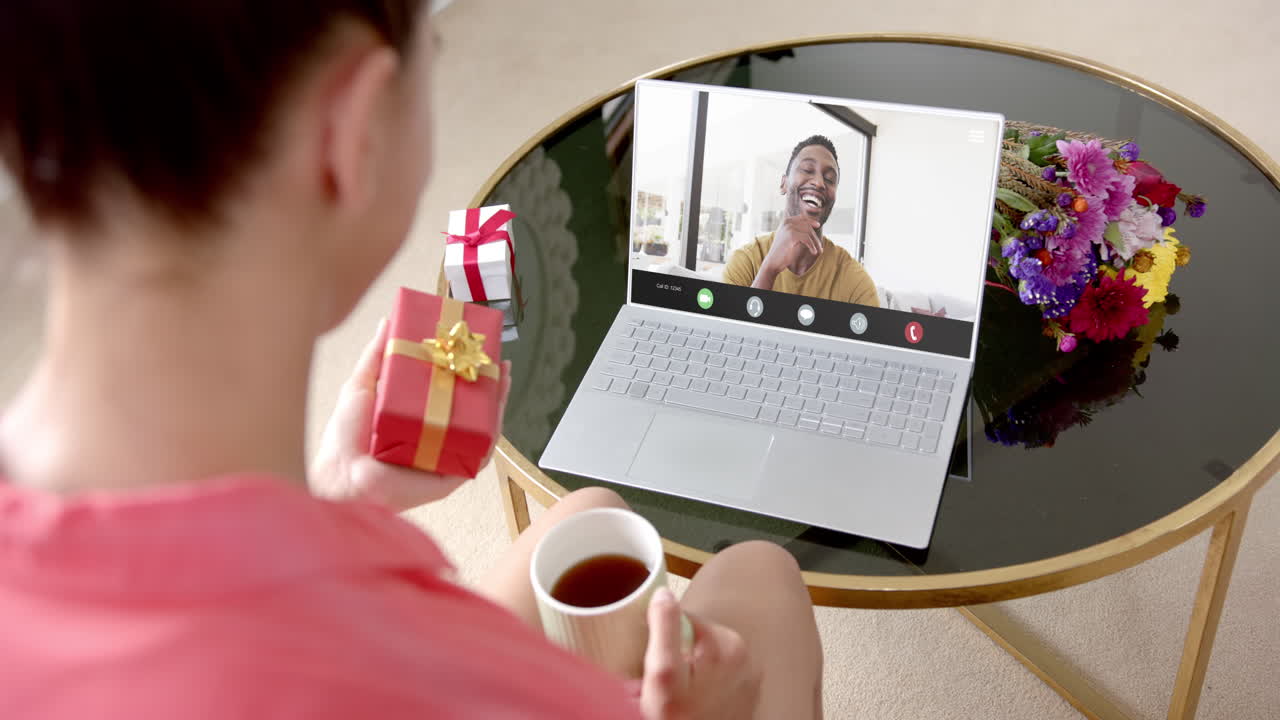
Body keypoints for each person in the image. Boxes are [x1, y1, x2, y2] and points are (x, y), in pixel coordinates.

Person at [0, 2, 823, 719]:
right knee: (762, 578)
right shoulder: (442, 688)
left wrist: (326, 501)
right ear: (350, 133)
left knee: (584, 515)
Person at [723, 135, 879, 306]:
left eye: (830, 179)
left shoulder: (854, 280)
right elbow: (729, 331)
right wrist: (769, 269)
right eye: (807, 169)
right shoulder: (746, 261)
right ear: (784, 183)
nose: (819, 183)